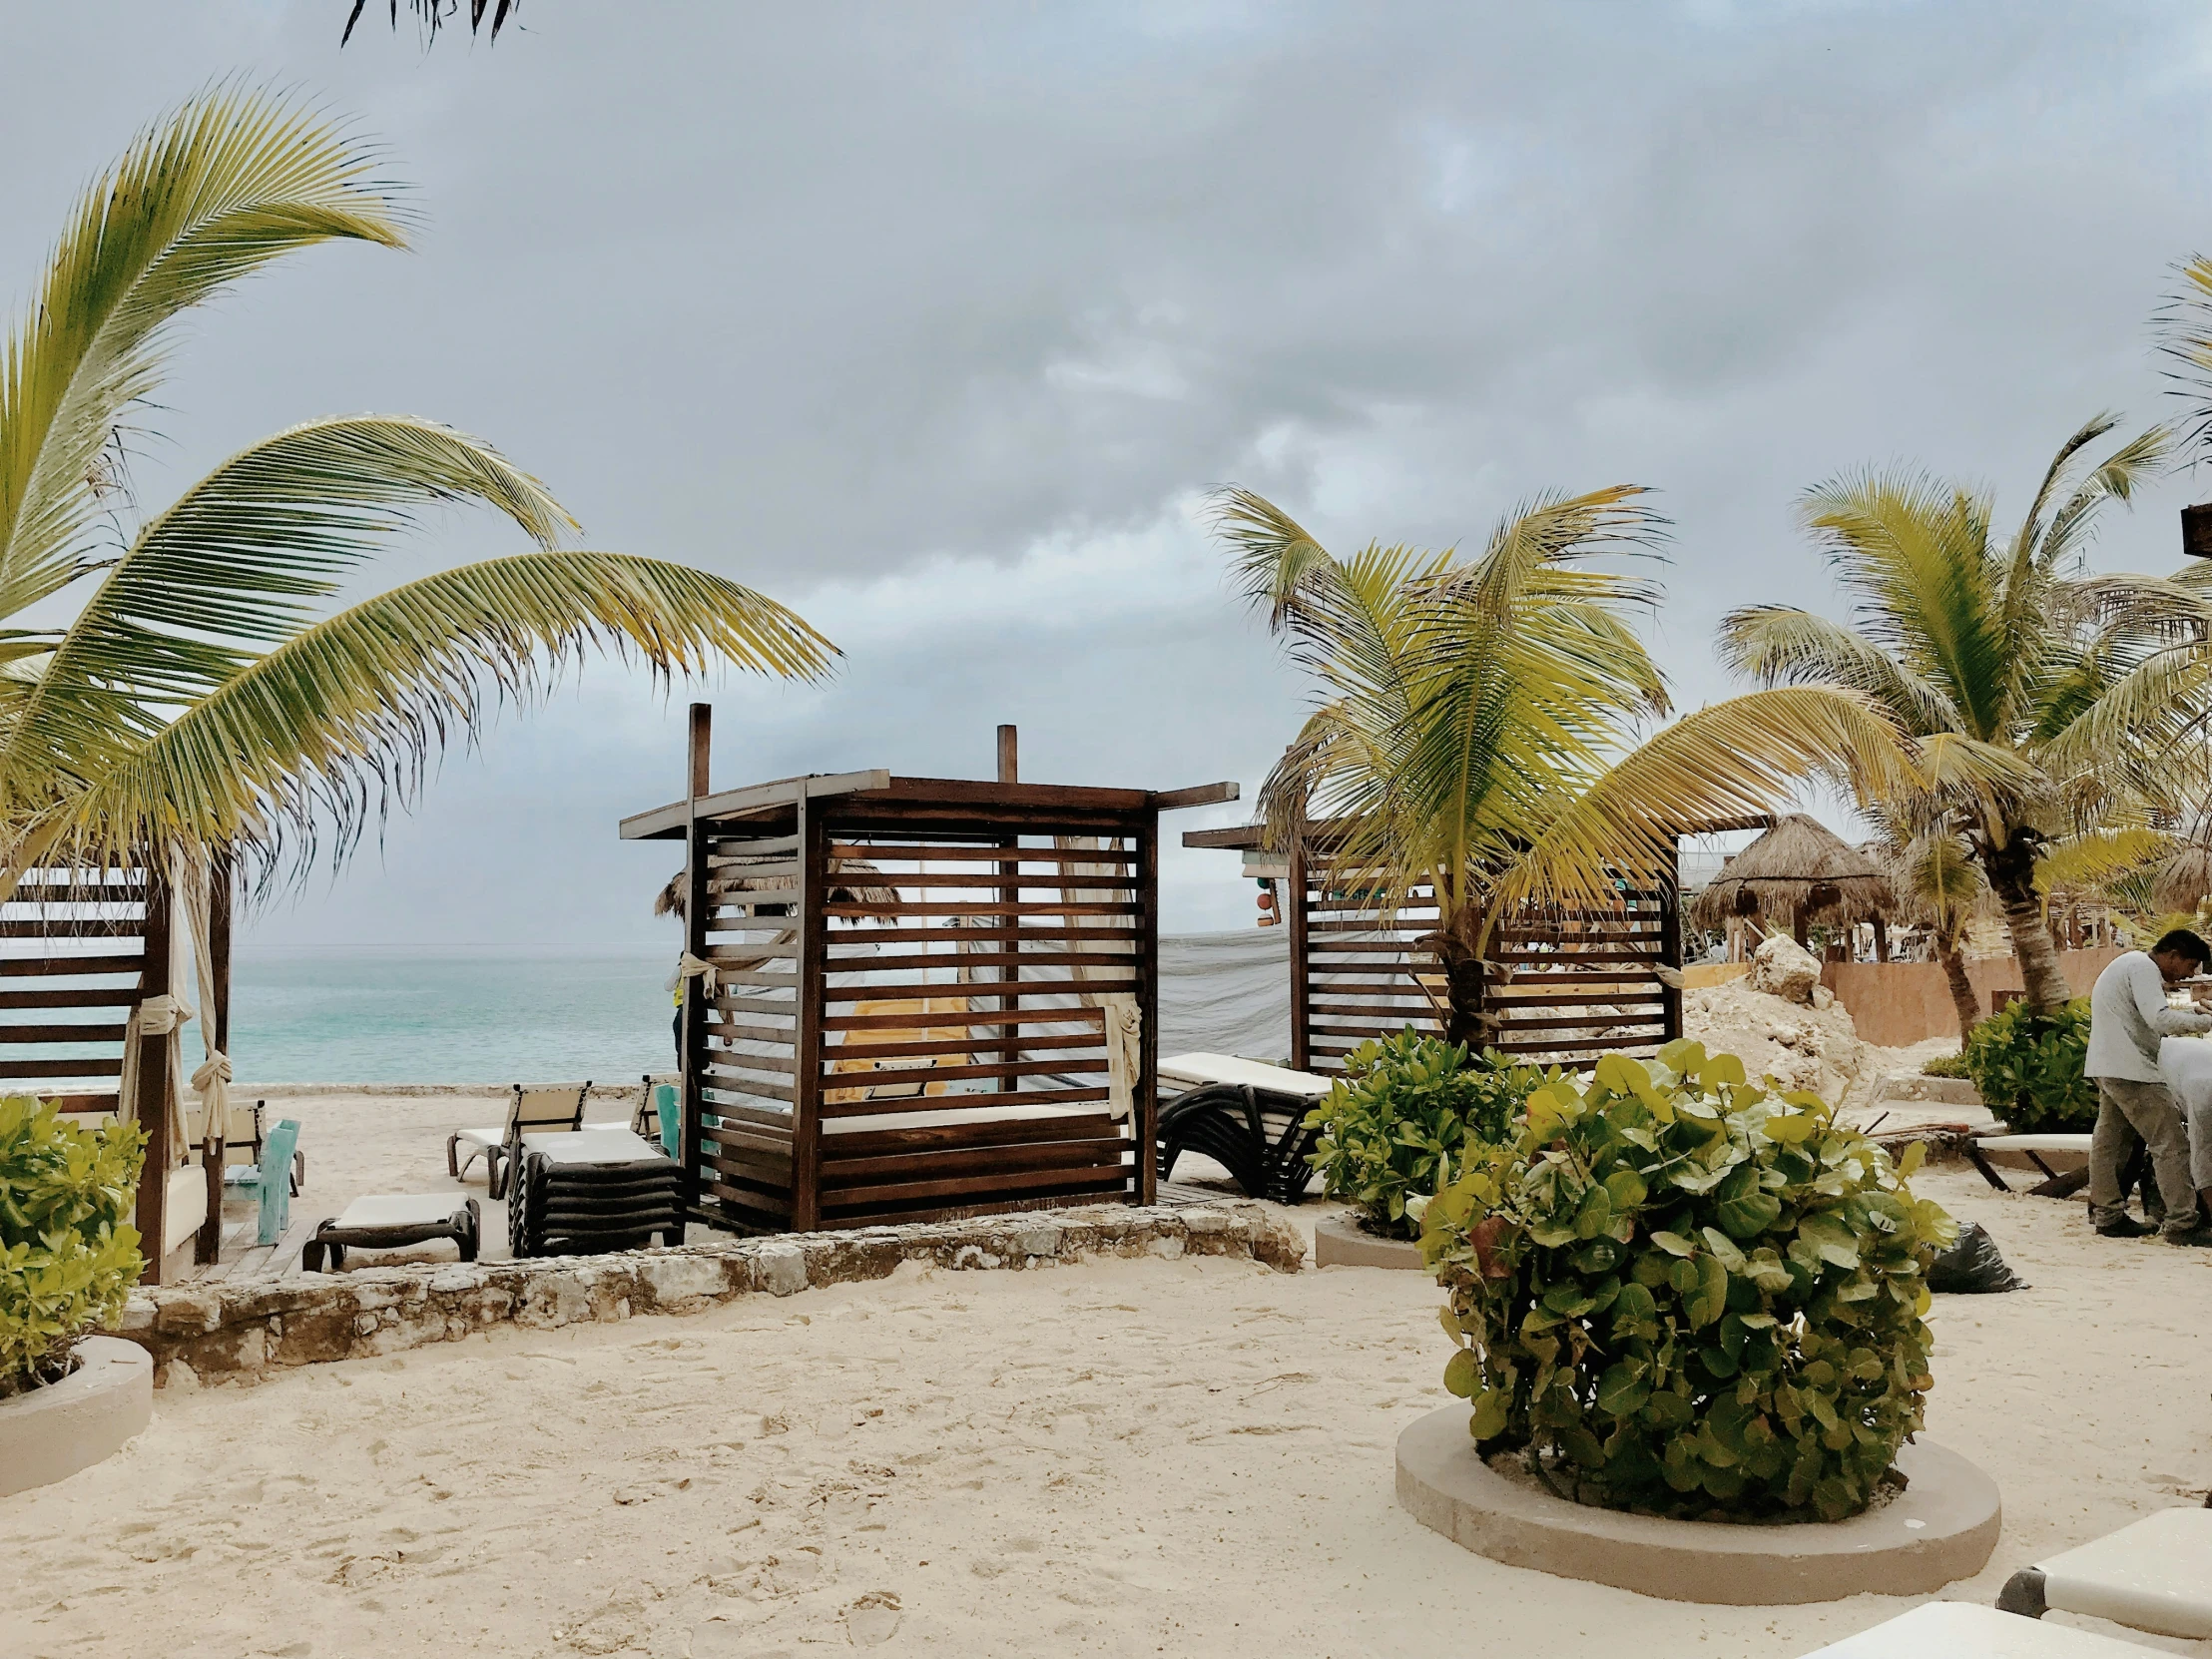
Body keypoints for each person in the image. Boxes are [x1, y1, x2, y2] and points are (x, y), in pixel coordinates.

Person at [2085, 927, 2212, 1244]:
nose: (2188, 976)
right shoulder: (2143, 967)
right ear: (2172, 956)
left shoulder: (2127, 963)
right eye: (2189, 965)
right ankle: (2183, 1223)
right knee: (2171, 1143)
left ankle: (2108, 1217)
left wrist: (2192, 1015)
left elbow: (2151, 1017)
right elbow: (2161, 1020)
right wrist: (2207, 1022)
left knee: (2110, 1144)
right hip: (2133, 1070)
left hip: (2109, 1064)